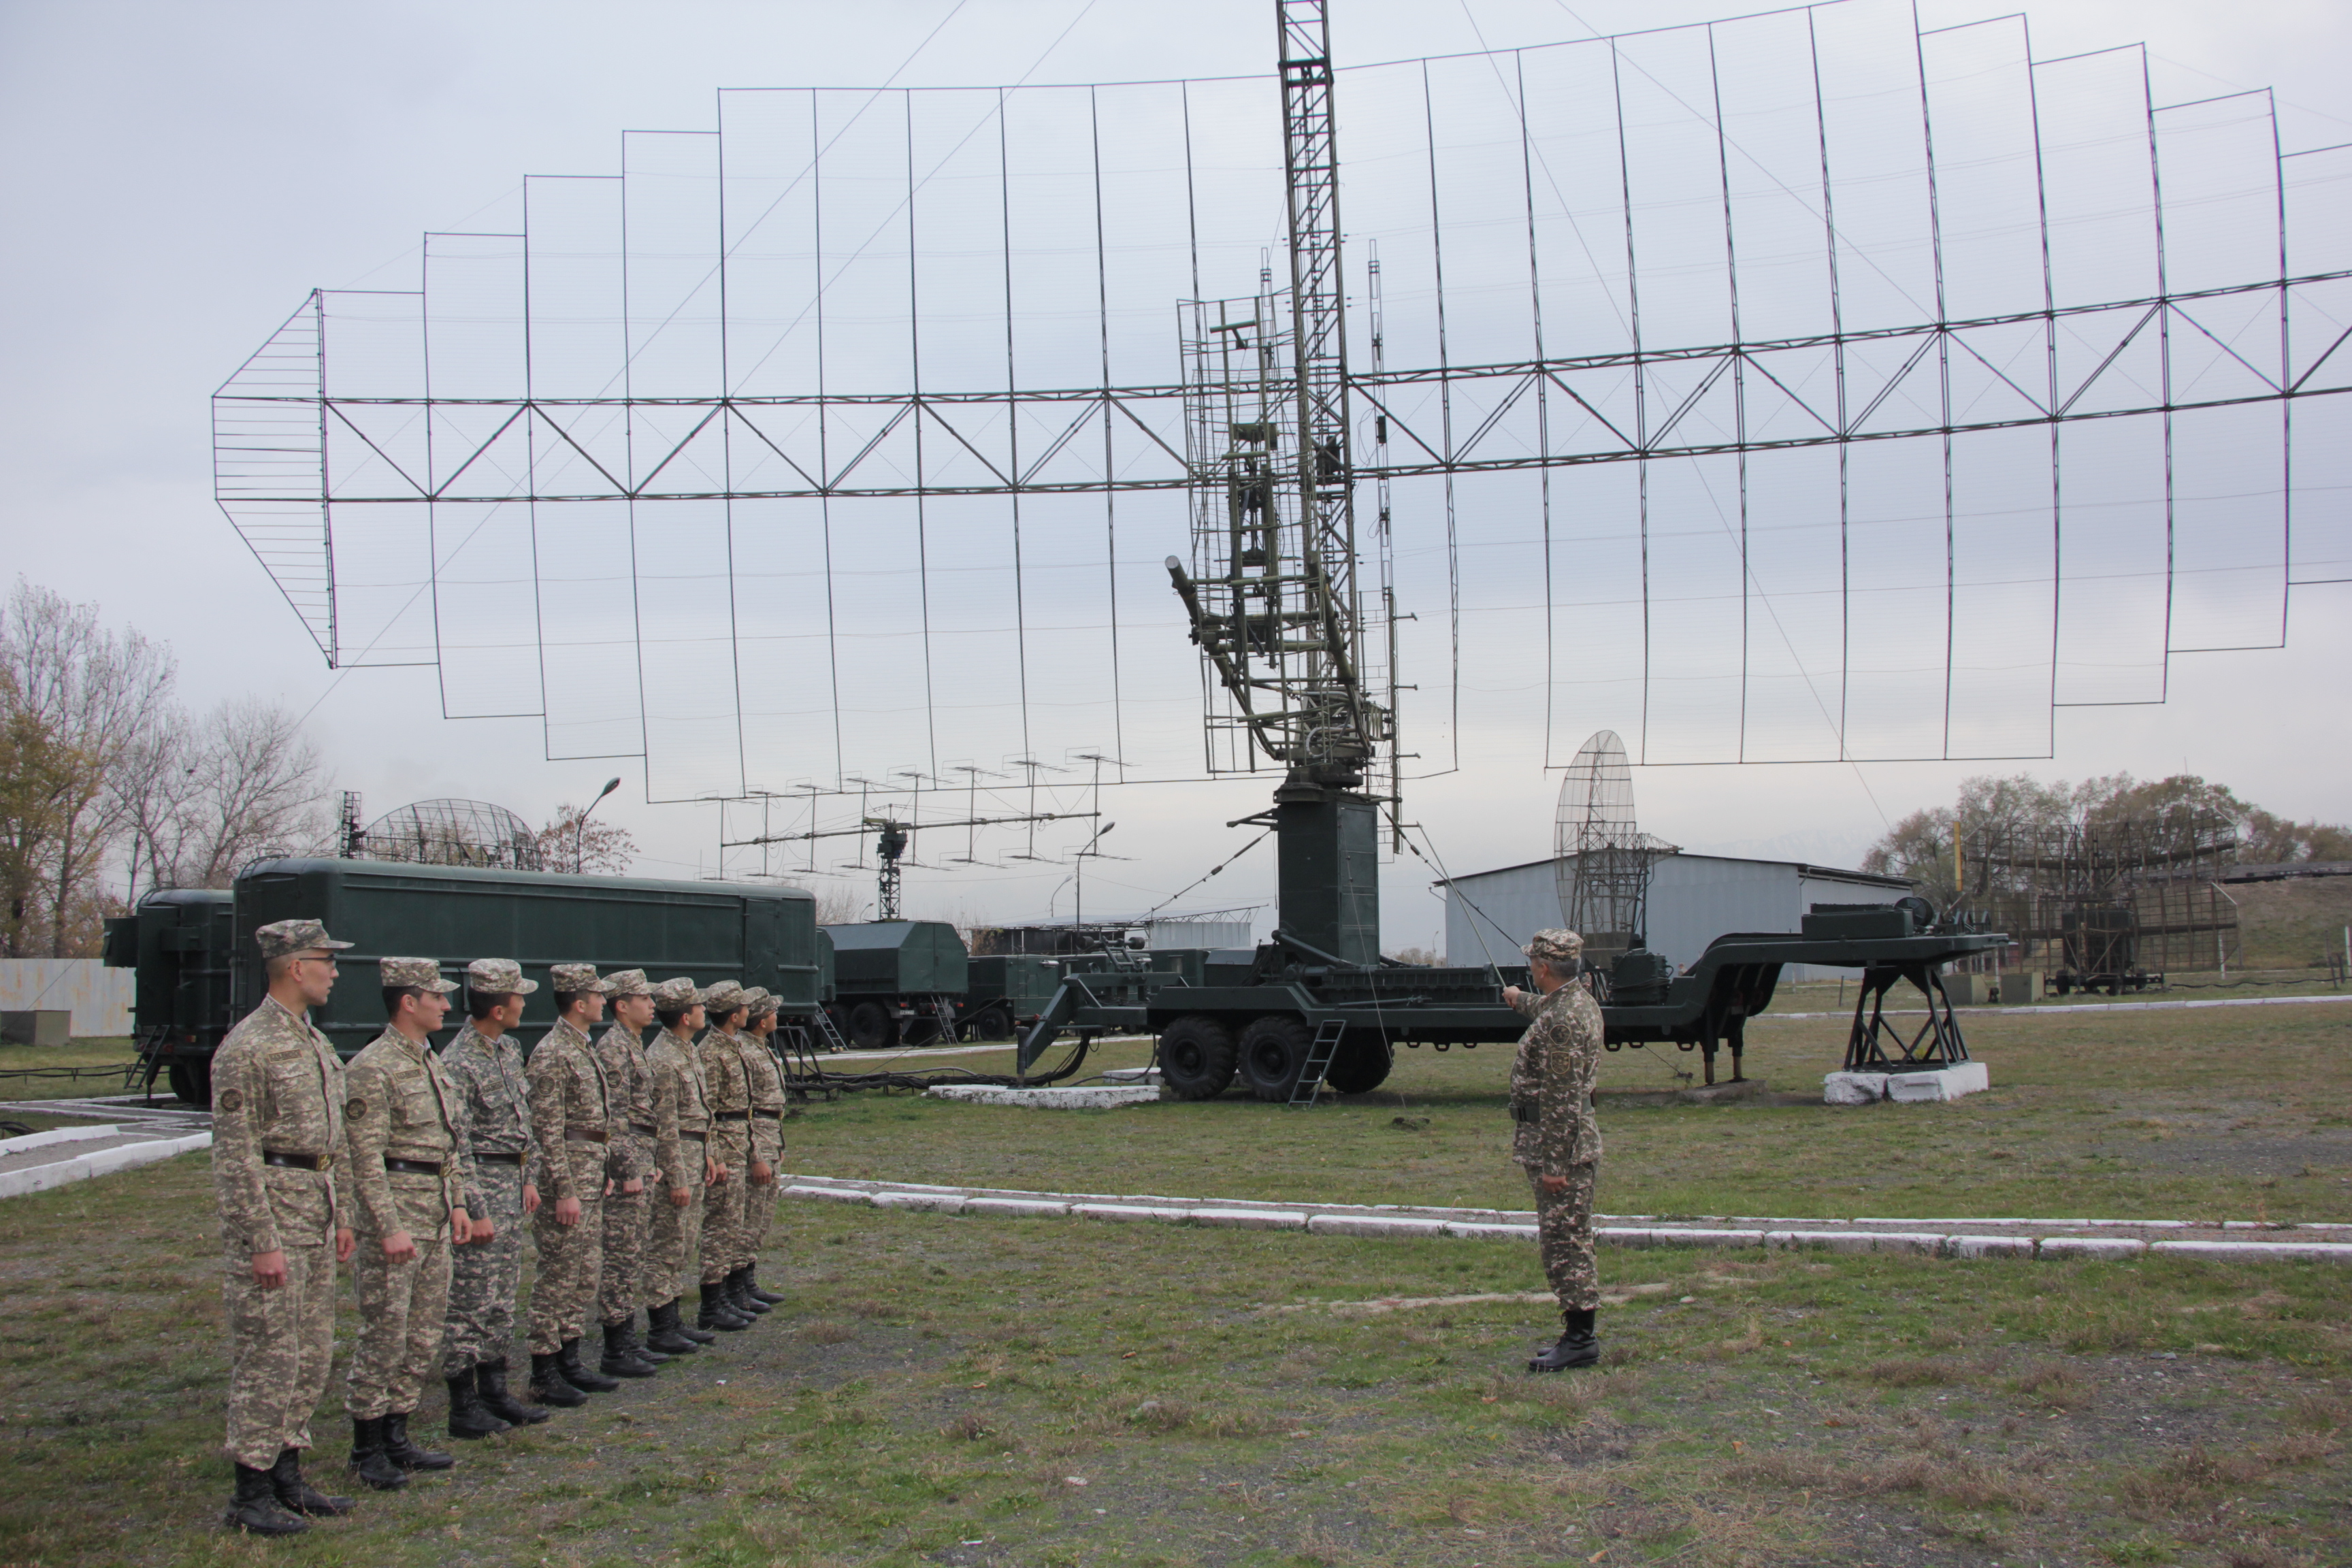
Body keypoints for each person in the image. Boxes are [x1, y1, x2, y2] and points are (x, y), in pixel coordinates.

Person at [208, 917, 358, 1537]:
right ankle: (250, 1491)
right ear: (296, 966)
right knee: (269, 1353)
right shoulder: (249, 1047)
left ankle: (287, 1475)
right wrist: (261, 1241)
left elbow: (334, 1142)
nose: (335, 971)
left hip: (316, 1214)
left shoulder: (313, 1041)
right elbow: (236, 1155)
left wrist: (343, 1214)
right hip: (277, 1217)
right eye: (327, 960)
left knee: (310, 1350)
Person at [341, 958, 473, 1484]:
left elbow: (447, 1143)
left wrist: (459, 1203)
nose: (446, 1005)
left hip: (436, 1213)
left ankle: (398, 1435)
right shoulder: (372, 1067)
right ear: (408, 1002)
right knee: (386, 1334)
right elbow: (364, 1158)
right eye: (437, 997)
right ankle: (366, 1449)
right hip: (398, 1218)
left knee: (422, 1335)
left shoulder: (429, 1061)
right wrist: (388, 1225)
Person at [440, 959, 556, 1419]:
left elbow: (521, 1121)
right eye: (517, 997)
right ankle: (463, 1402)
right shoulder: (459, 1061)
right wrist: (475, 1206)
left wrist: (529, 1178)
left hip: (512, 1183)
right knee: (471, 1298)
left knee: (503, 1296)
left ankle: (495, 1389)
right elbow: (458, 1143)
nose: (524, 1004)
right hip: (484, 1187)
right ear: (497, 1006)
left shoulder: (508, 1049)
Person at [528, 964, 650, 1391]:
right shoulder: (553, 1053)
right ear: (580, 1004)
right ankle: (544, 1371)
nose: (604, 1001)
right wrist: (563, 1190)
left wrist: (604, 1171)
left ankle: (571, 1360)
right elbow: (546, 1131)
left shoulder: (579, 1048)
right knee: (558, 1276)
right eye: (598, 996)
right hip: (569, 1181)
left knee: (583, 1273)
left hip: (589, 1174)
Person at [1501, 928, 1607, 1373]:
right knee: (1568, 1236)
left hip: (1559, 1145)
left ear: (1543, 967)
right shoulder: (1575, 1001)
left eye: (1533, 963)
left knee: (1565, 1242)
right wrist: (1516, 998)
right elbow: (1543, 1008)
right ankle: (1575, 1333)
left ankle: (1580, 1339)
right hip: (1565, 1141)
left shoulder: (1563, 1020)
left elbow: (1562, 1096)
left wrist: (1555, 1164)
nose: (1530, 968)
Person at [591, 969, 675, 1362]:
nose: (652, 1005)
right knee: (621, 1252)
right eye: (644, 999)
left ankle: (628, 1337)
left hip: (642, 1155)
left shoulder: (633, 1045)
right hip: (628, 1162)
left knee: (634, 1248)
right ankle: (617, 1344)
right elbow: (614, 1116)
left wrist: (651, 1162)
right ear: (622, 1006)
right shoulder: (613, 1049)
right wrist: (627, 1169)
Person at [642, 979, 728, 1348]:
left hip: (695, 1157)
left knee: (684, 1242)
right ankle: (661, 1326)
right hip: (678, 1161)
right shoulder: (663, 1059)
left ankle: (674, 1320)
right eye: (697, 1006)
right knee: (667, 1244)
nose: (703, 1011)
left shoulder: (687, 1051)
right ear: (683, 1015)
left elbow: (701, 1113)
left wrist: (710, 1154)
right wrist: (675, 1176)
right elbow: (665, 1125)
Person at [693, 981, 758, 1330]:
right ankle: (712, 1304)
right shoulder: (711, 1052)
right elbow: (710, 1112)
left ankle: (730, 1296)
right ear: (735, 1015)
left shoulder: (732, 1047)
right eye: (745, 1007)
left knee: (734, 1223)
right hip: (725, 1148)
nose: (750, 1012)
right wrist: (715, 1155)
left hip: (740, 1143)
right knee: (720, 1226)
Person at [732, 990, 789, 1313]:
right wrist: (756, 1155)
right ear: (762, 1020)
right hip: (757, 1139)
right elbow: (745, 1108)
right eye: (772, 1012)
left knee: (762, 1218)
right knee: (749, 1215)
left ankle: (748, 1279)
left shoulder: (761, 1049)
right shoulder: (745, 1053)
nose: (776, 1017)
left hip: (771, 1136)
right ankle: (735, 1284)